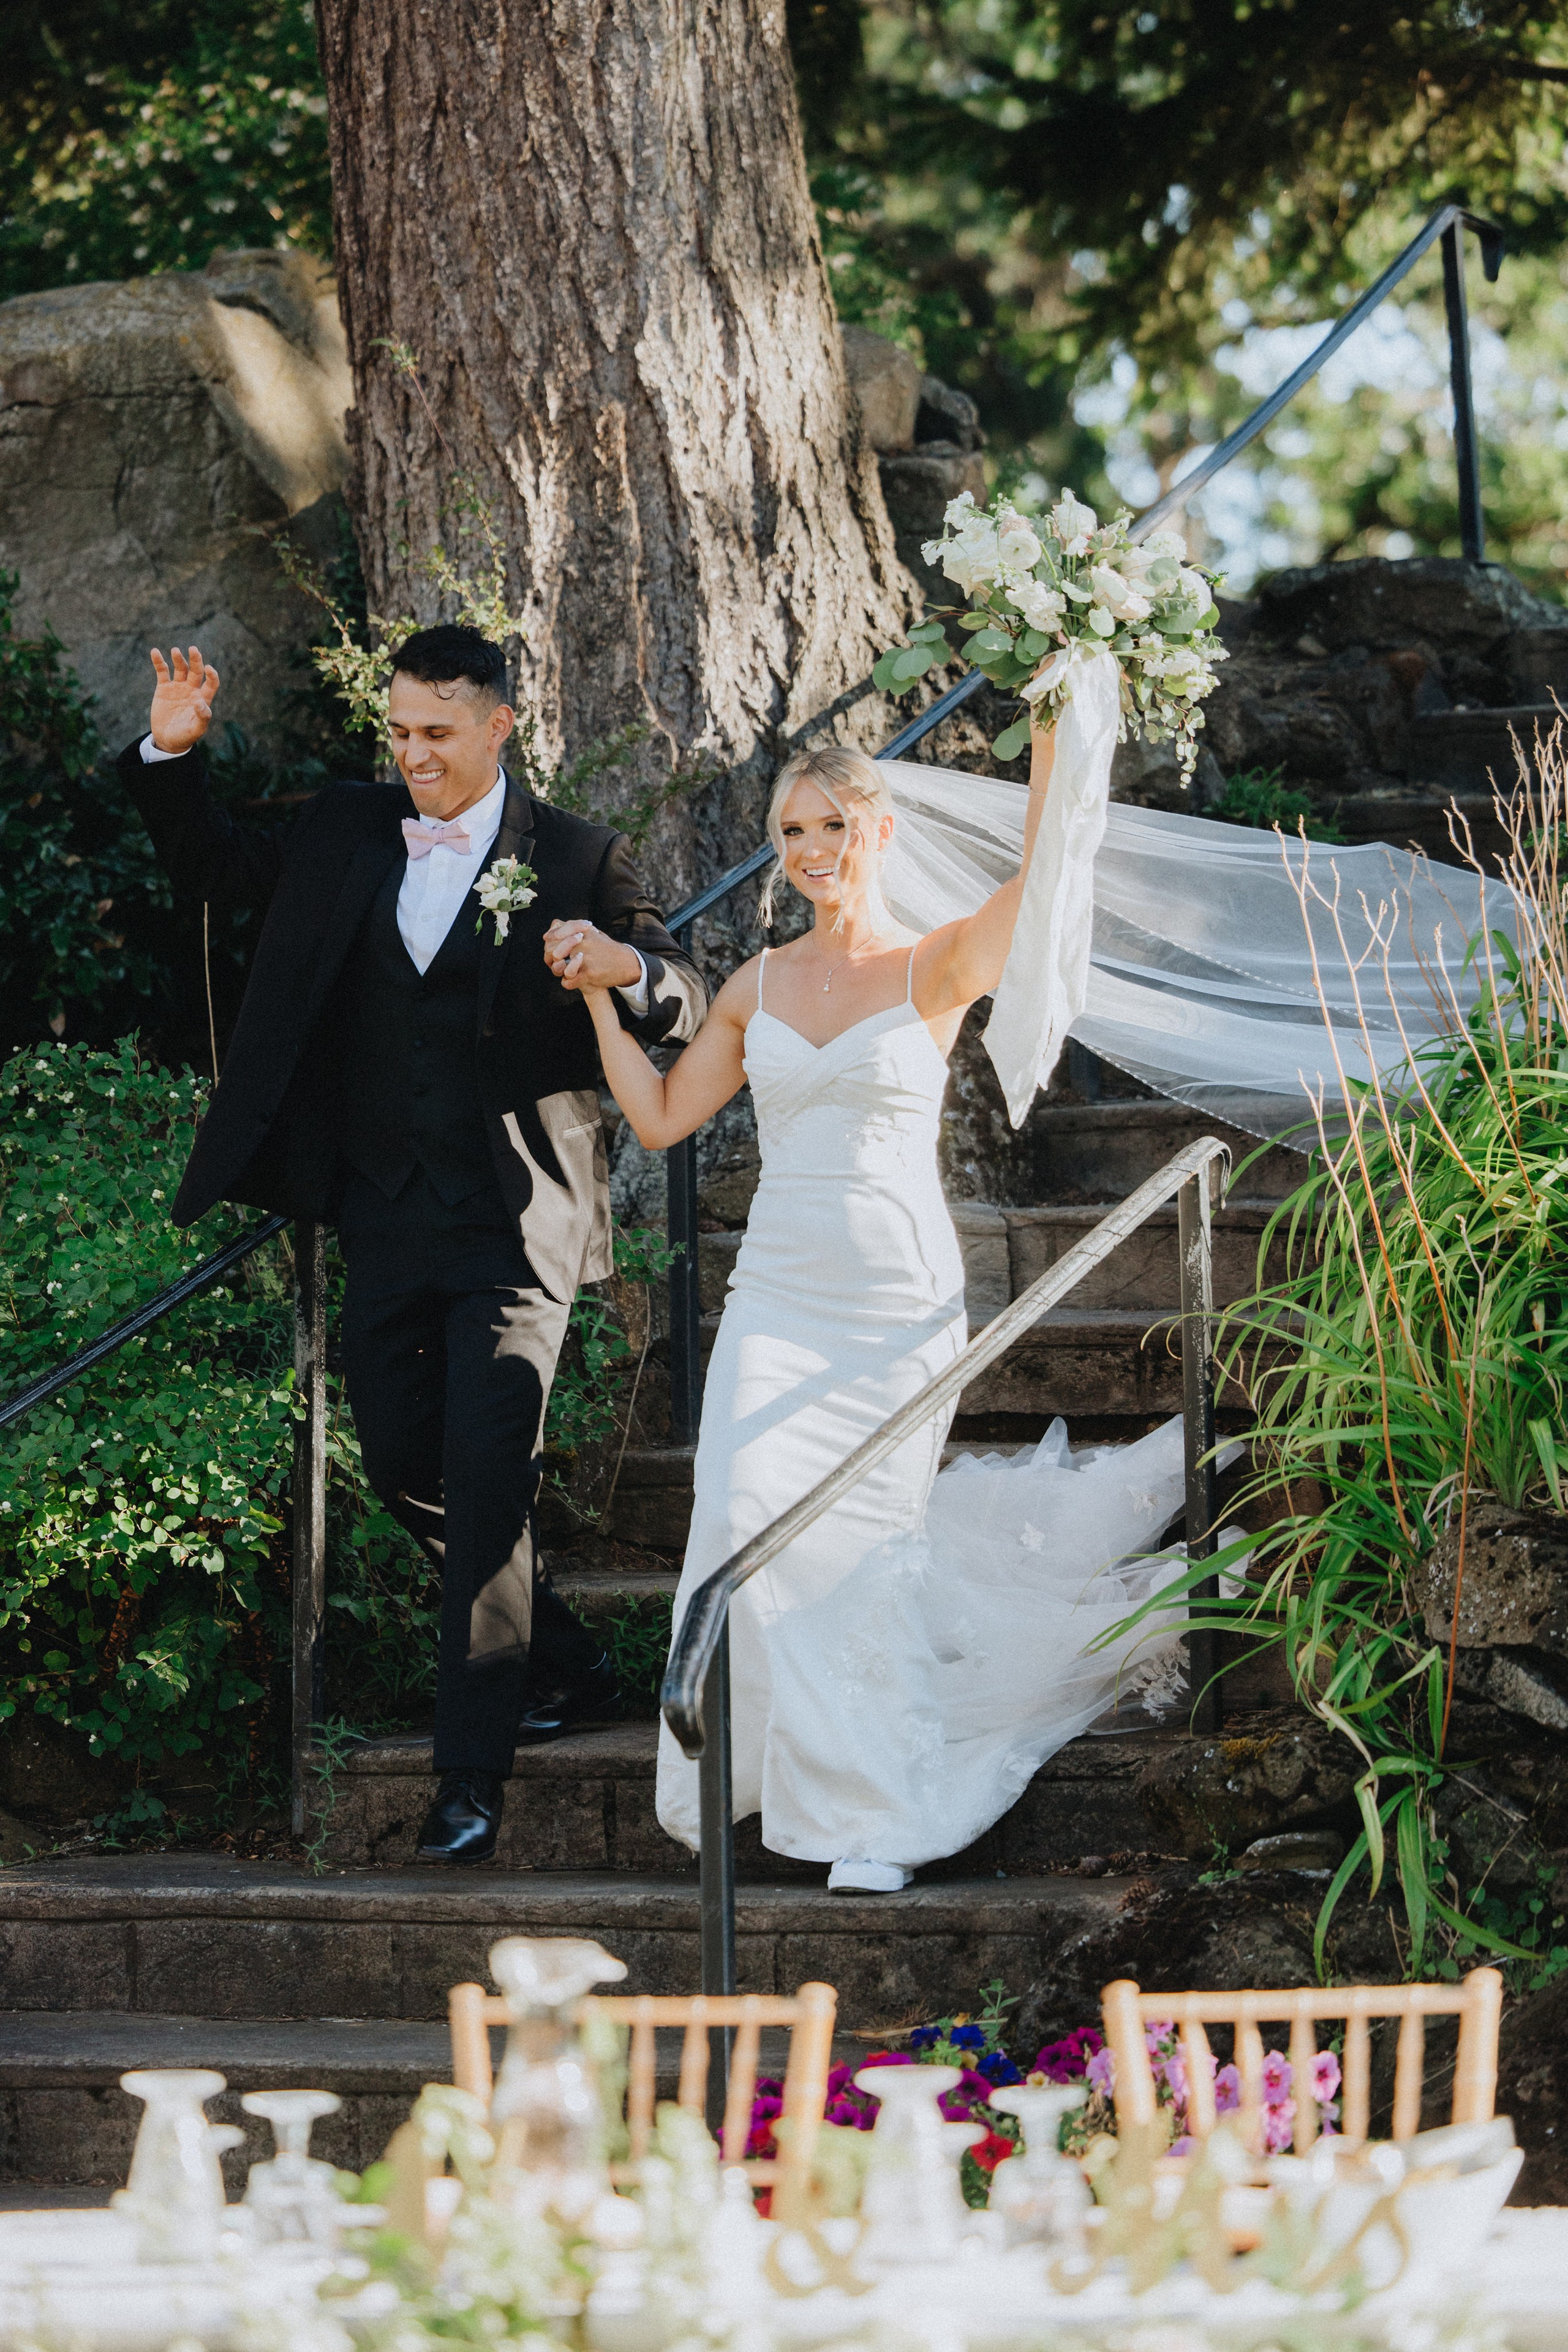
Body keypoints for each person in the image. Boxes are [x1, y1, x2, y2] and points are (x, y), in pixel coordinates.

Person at [547, 728, 1196, 1893]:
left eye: (832, 826)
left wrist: (1057, 732)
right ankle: (753, 1781)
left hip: (896, 1299)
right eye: (791, 832)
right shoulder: (758, 983)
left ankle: (877, 1817)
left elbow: (1046, 876)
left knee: (864, 1548)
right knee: (743, 1514)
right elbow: (655, 1118)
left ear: (880, 831)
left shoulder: (934, 964)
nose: (810, 850)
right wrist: (603, 996)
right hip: (778, 1298)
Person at [121, 626, 706, 1863]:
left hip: (514, 1222)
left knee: (490, 1480)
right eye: (398, 731)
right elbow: (220, 870)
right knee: (402, 1467)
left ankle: (469, 1778)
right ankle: (566, 1664)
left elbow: (686, 990)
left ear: (499, 725)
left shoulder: (578, 855)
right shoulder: (345, 829)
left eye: (436, 732)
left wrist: (624, 970)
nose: (414, 754)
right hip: (383, 1213)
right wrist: (173, 759)